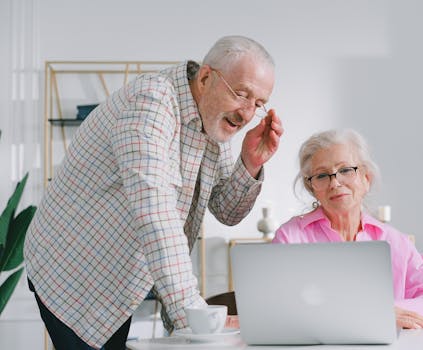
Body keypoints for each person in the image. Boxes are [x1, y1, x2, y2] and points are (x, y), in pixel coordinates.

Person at [24, 35, 283, 349]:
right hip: (72, 271)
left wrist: (250, 162)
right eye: (241, 95)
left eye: (257, 104)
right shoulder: (151, 102)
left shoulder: (213, 124)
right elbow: (156, 214)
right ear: (205, 77)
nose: (246, 113)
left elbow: (227, 211)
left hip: (118, 280)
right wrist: (194, 316)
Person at [272, 129, 423, 329]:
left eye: (346, 170)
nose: (335, 183)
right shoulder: (290, 237)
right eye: (322, 175)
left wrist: (390, 310)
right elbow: (278, 309)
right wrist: (373, 313)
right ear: (312, 188)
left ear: (366, 179)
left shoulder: (393, 241)